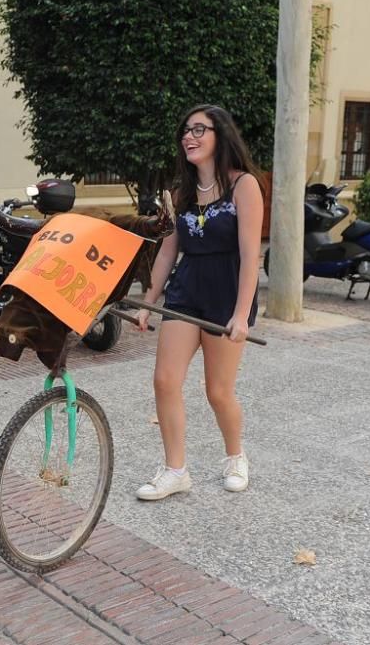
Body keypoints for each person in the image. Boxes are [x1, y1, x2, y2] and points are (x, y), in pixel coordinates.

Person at [135, 104, 264, 500]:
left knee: (218, 391)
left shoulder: (244, 186)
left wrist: (241, 315)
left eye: (198, 130)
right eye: (185, 131)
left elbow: (249, 256)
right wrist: (148, 300)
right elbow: (167, 252)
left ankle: (235, 457)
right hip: (186, 292)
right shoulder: (182, 193)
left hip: (226, 293)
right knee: (164, 380)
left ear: (219, 135)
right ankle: (176, 471)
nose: (188, 137)